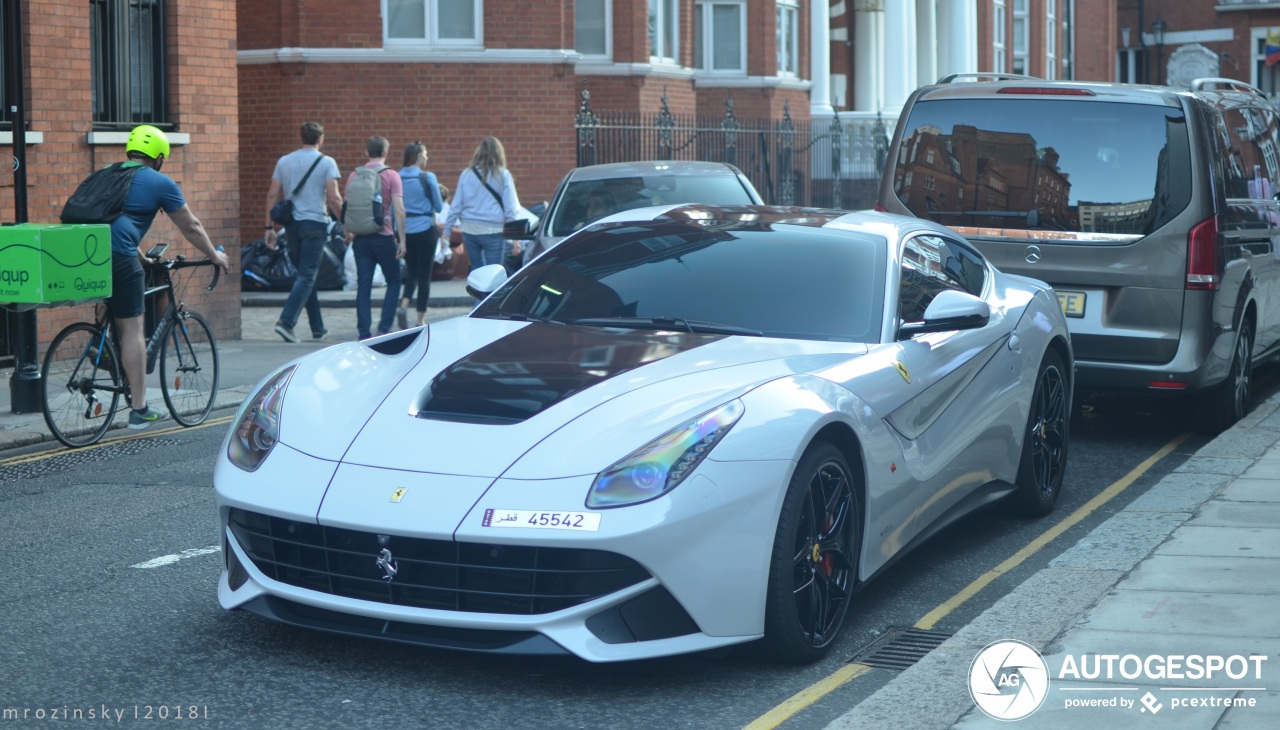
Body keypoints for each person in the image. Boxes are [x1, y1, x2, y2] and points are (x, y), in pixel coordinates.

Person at [105, 124, 231, 429]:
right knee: (134, 328)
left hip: (86, 252)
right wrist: (214, 255)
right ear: (159, 156)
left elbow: (112, 221)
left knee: (113, 316)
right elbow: (190, 227)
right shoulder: (159, 182)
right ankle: (139, 409)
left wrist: (142, 257)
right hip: (120, 257)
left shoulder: (109, 174)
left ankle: (104, 351)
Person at [263, 121, 343, 343]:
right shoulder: (327, 162)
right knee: (307, 274)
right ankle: (286, 323)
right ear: (320, 139)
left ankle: (318, 327)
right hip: (315, 223)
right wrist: (345, 222)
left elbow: (272, 194)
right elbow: (334, 197)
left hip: (291, 226)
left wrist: (268, 226)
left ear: (302, 137)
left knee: (305, 275)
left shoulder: (284, 161)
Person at [347, 136, 406, 339]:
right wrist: (402, 240)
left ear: (366, 153)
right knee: (394, 280)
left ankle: (364, 332)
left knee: (363, 284)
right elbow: (399, 209)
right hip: (384, 236)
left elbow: (349, 206)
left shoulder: (354, 175)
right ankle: (384, 327)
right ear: (386, 153)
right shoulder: (391, 175)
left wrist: (348, 230)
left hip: (360, 237)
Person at [443, 137, 522, 272]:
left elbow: (456, 206)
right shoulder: (503, 175)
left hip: (469, 230)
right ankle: (490, 294)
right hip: (493, 230)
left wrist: (446, 232)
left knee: (476, 270)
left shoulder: (466, 174)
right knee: (493, 273)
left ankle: (478, 293)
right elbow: (510, 209)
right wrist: (516, 239)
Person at [396, 141, 443, 329]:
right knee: (424, 276)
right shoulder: (427, 177)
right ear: (417, 156)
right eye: (425, 154)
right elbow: (439, 206)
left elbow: (394, 209)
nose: (427, 157)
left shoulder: (397, 177)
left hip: (405, 231)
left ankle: (403, 305)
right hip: (425, 228)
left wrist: (398, 237)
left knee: (411, 273)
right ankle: (420, 319)